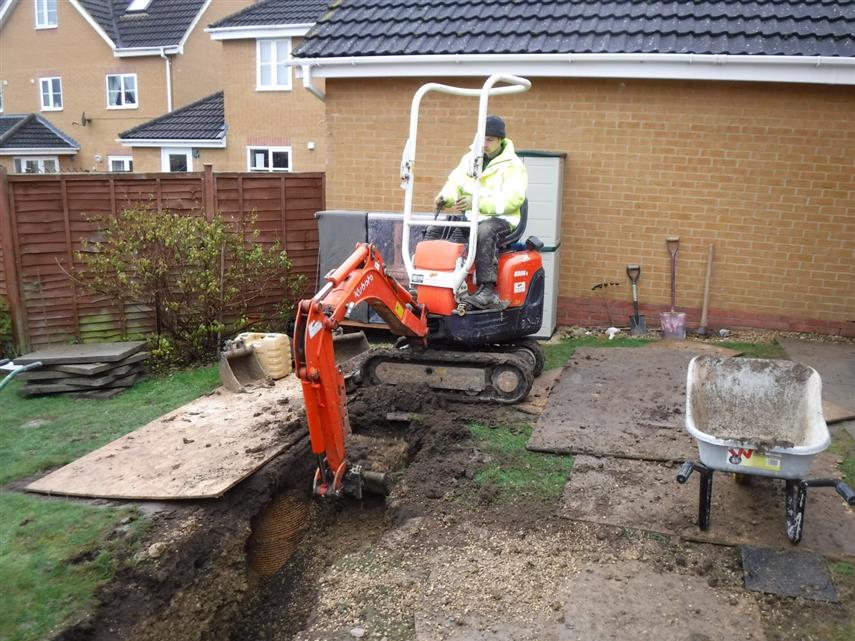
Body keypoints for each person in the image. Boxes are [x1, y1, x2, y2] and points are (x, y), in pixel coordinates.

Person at [428, 115, 527, 310]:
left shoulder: (513, 166)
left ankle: (487, 290)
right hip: (472, 218)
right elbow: (454, 183)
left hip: (501, 221)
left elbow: (514, 199)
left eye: (489, 139)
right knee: (438, 229)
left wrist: (477, 203)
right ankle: (429, 280)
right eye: (481, 138)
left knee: (484, 232)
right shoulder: (470, 159)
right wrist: (445, 197)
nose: (484, 143)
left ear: (500, 140)